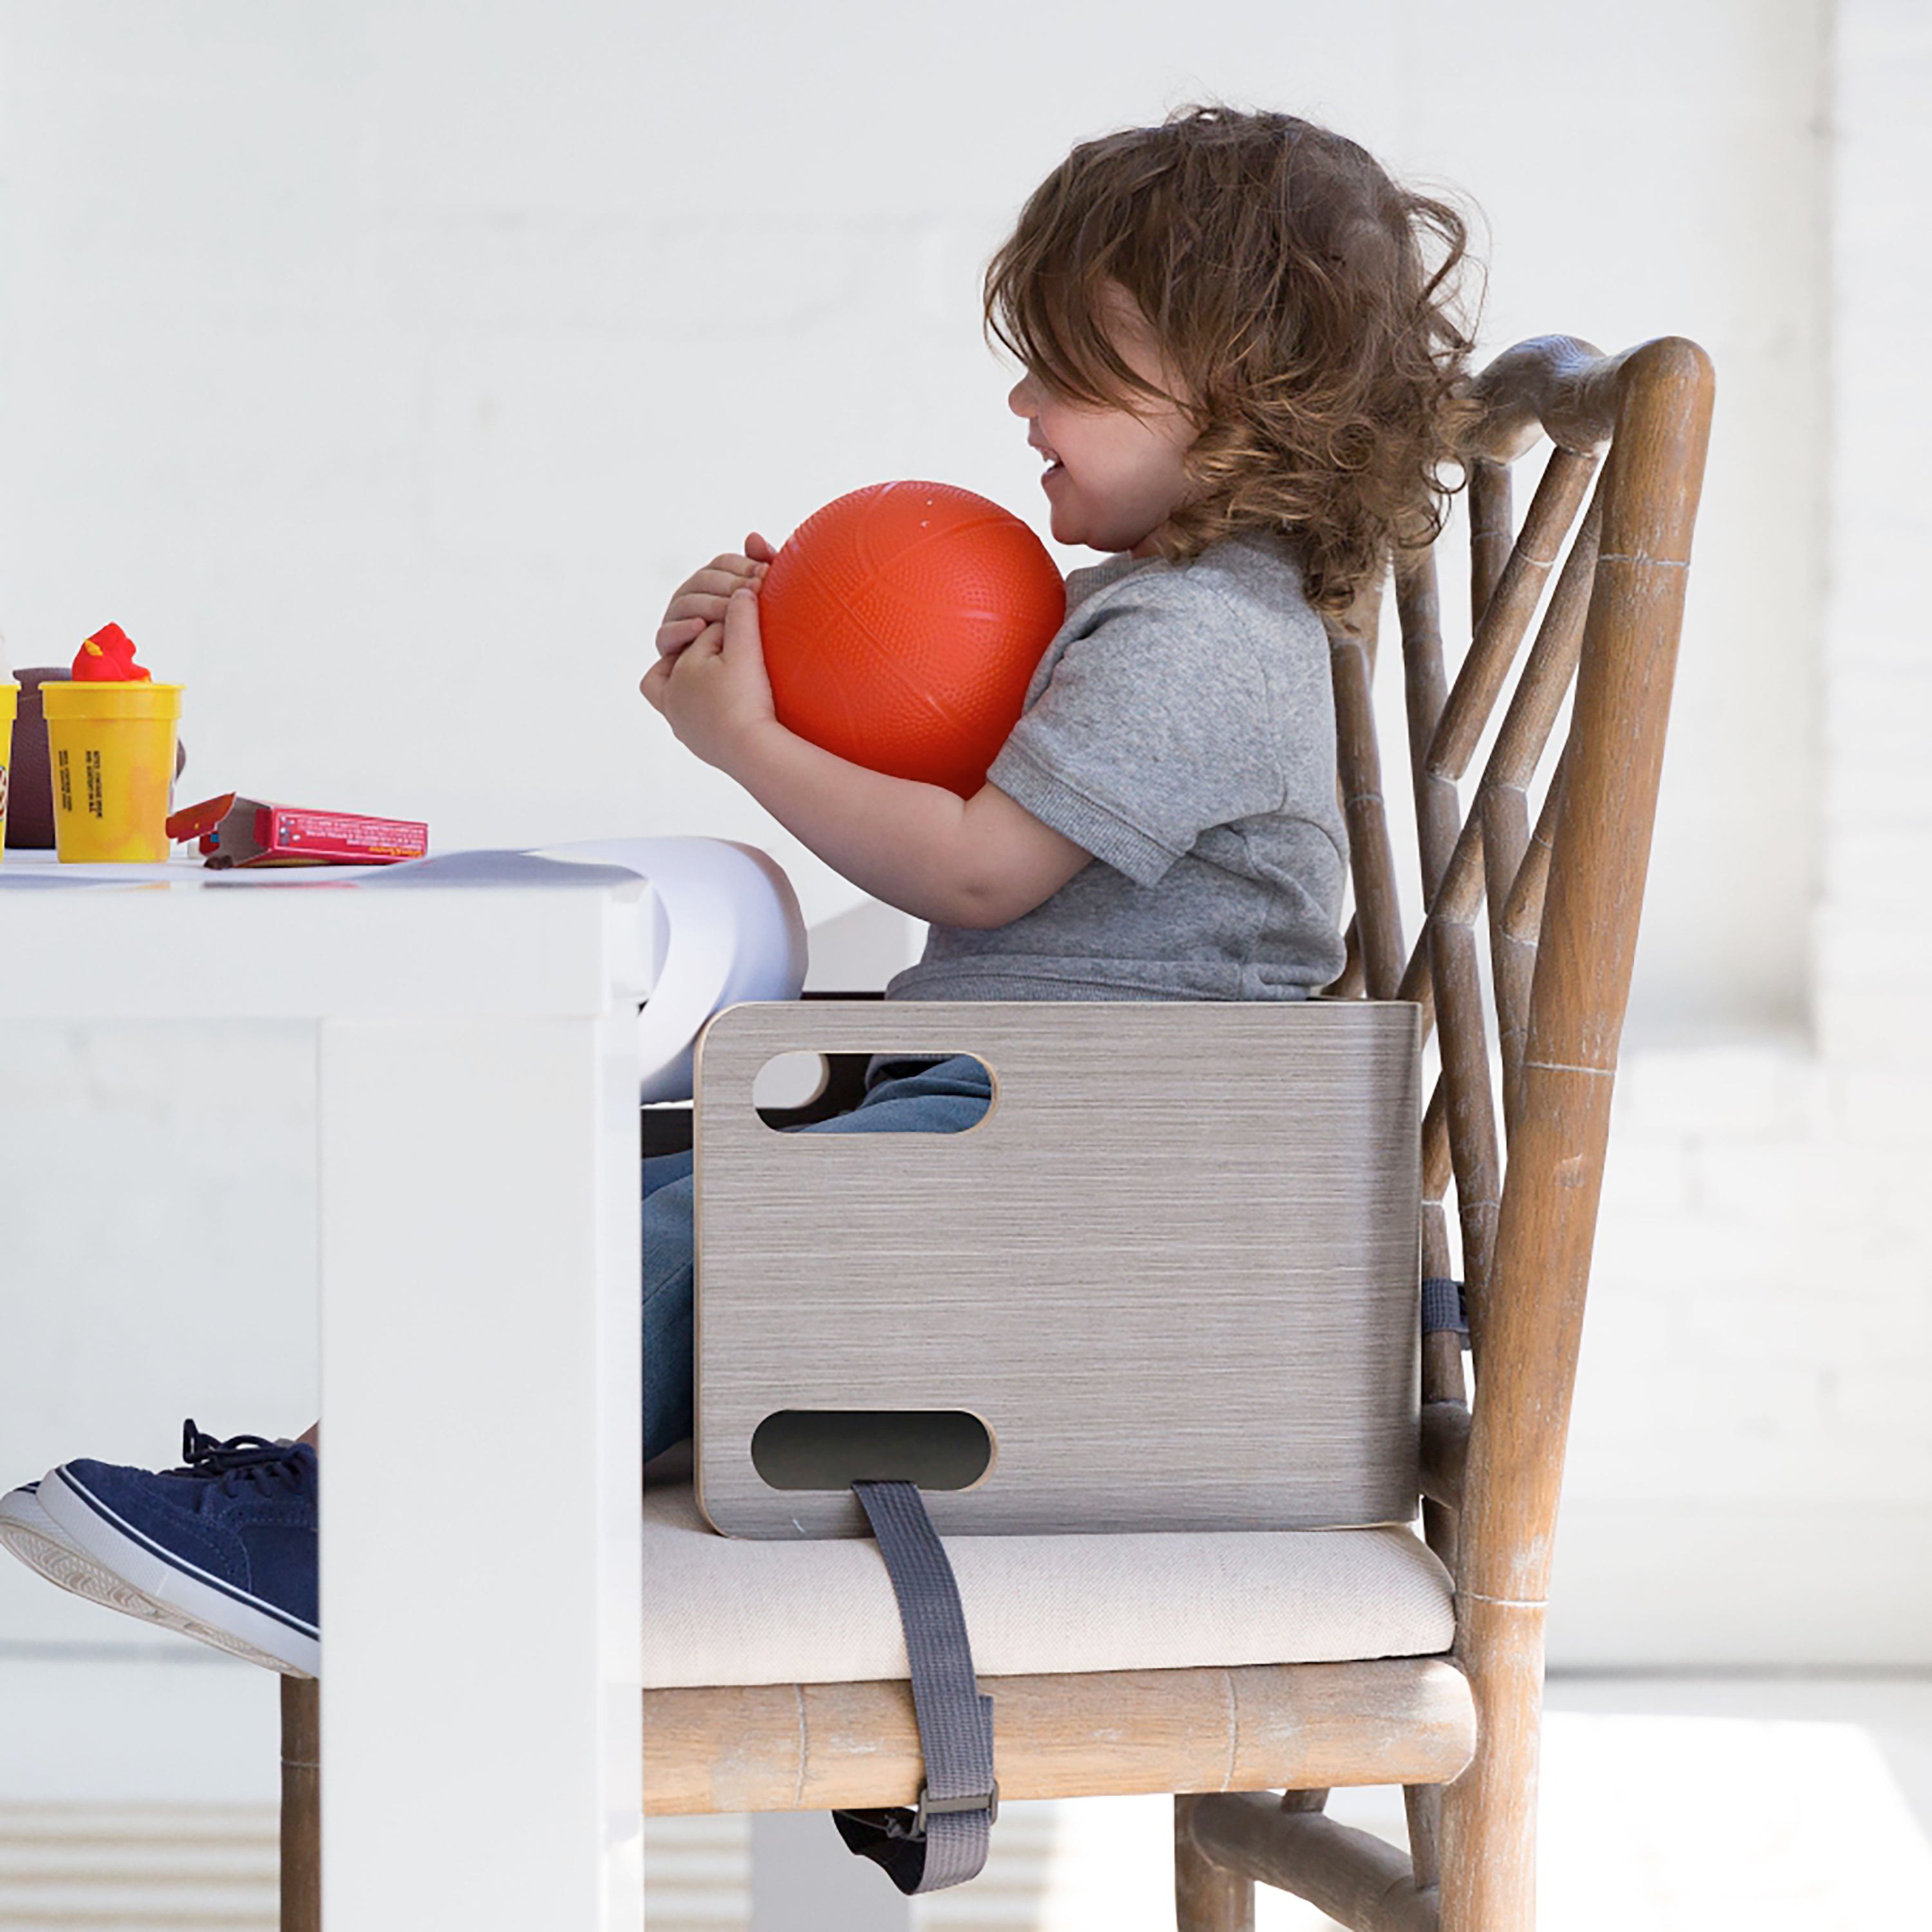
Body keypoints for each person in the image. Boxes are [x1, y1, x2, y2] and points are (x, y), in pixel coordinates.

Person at [0, 106, 1475, 1675]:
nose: (1022, 397)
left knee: (679, 1244)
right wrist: (796, 643)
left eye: (1072, 364)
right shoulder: (1142, 614)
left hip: (1100, 1170)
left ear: (1241, 390)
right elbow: (947, 762)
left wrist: (747, 743)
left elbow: (978, 868)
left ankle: (376, 1536)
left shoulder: (1200, 644)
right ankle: (336, 1487)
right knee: (600, 1210)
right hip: (1018, 1124)